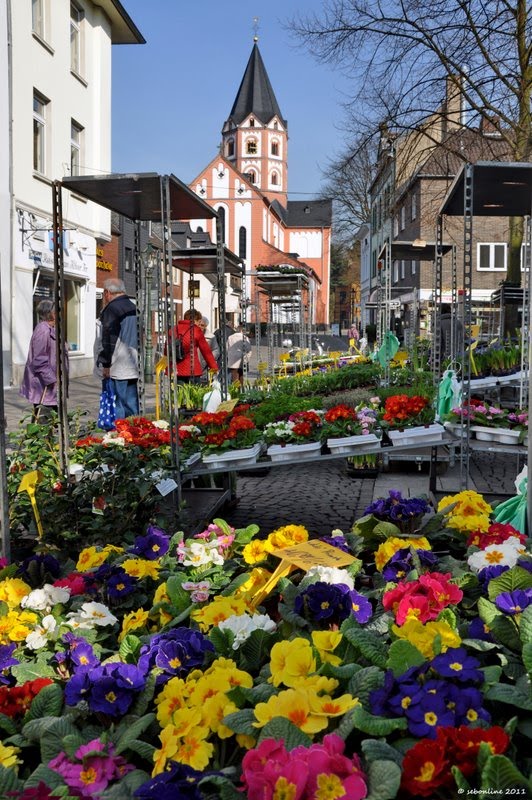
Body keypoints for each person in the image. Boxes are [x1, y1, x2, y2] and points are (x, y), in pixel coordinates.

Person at [20, 299, 68, 421]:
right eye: (57, 310)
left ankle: (46, 439)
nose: (59, 313)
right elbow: (39, 360)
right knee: (43, 421)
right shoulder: (43, 330)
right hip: (44, 386)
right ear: (50, 313)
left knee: (49, 420)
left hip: (50, 386)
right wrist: (51, 380)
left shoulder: (51, 329)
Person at [98, 278, 139, 420]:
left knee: (118, 404)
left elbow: (108, 340)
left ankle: (120, 436)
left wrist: (106, 363)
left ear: (108, 292)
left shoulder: (111, 310)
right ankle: (134, 432)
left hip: (118, 365)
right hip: (133, 364)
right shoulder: (134, 308)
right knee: (132, 404)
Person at [168, 309, 218, 382]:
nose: (199, 323)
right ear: (195, 320)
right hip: (193, 370)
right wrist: (214, 368)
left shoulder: (173, 330)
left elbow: (167, 350)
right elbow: (206, 351)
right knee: (194, 392)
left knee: (178, 392)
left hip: (176, 370)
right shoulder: (196, 330)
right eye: (199, 321)